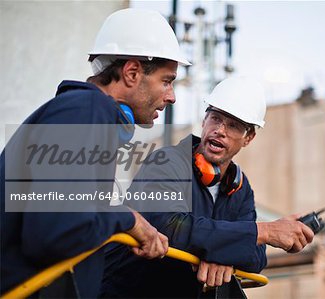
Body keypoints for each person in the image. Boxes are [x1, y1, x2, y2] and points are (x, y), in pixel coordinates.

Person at [0, 8, 190, 298]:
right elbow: (57, 233)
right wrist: (130, 220)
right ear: (132, 72)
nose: (172, 95)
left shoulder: (84, 114)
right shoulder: (86, 110)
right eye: (167, 80)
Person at [101, 76, 314, 298]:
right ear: (204, 121)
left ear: (248, 137)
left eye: (233, 125)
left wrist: (220, 254)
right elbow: (168, 227)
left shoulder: (240, 189)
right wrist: (265, 232)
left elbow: (257, 258)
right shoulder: (167, 162)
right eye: (215, 119)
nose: (220, 130)